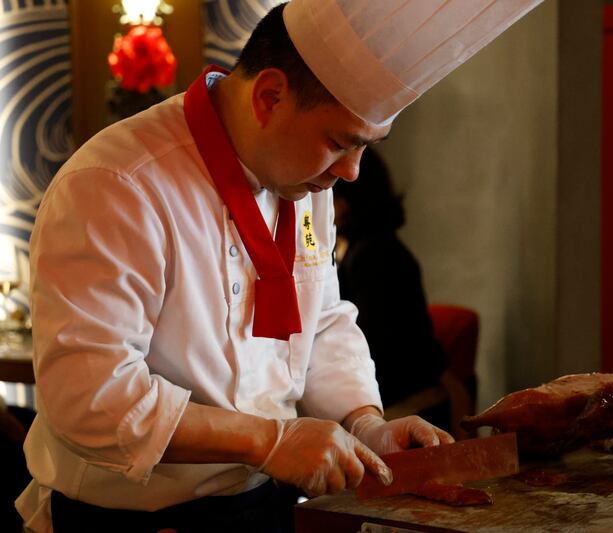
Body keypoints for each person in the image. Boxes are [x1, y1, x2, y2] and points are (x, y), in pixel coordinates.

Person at [16, 1, 543, 531]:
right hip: (134, 521)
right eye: (340, 142)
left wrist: (364, 422)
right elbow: (91, 399)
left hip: (262, 507)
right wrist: (270, 440)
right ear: (270, 96)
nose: (352, 172)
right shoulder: (117, 185)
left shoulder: (305, 182)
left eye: (365, 147)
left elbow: (321, 319)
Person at [334, 148, 448, 422]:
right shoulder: (352, 249)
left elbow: (369, 345)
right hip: (389, 396)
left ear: (350, 199)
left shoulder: (376, 255)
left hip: (408, 406)